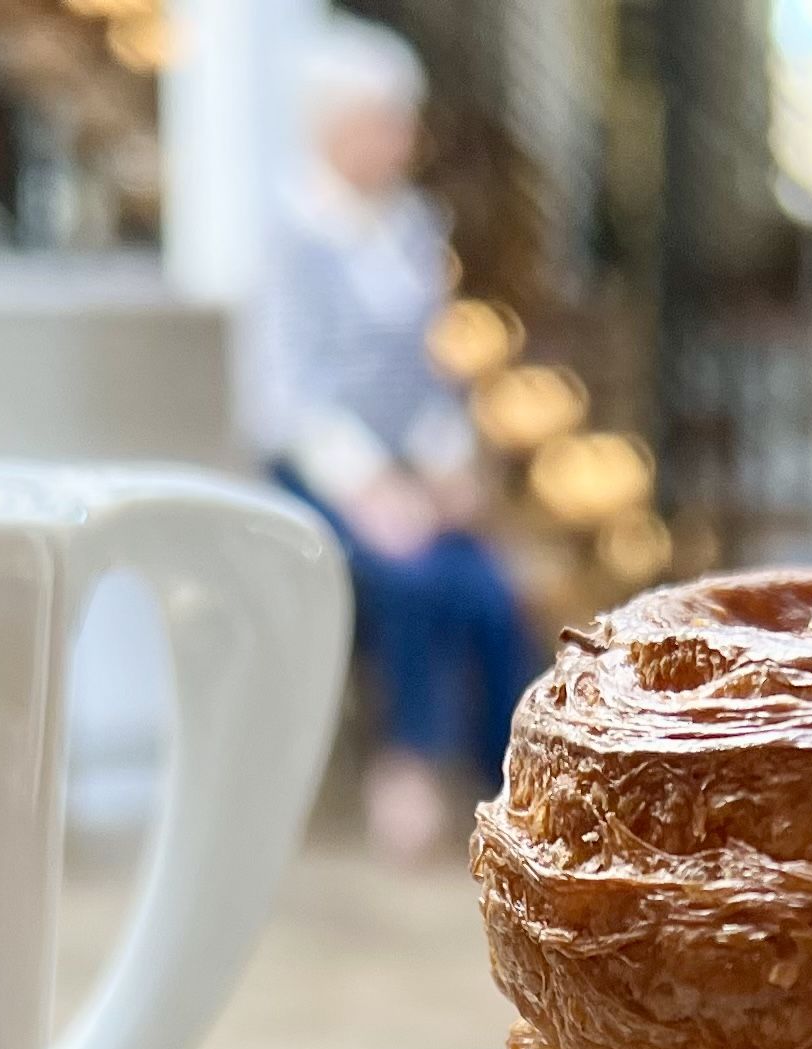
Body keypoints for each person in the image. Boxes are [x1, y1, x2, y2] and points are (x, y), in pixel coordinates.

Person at [250, 19, 532, 863]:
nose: (404, 141)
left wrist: (446, 469)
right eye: (387, 121)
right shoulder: (296, 231)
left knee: (483, 584)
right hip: (319, 471)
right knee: (409, 579)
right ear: (336, 127)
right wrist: (370, 489)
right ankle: (408, 762)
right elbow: (289, 393)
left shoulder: (413, 226)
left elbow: (428, 373)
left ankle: (514, 774)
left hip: (408, 466)